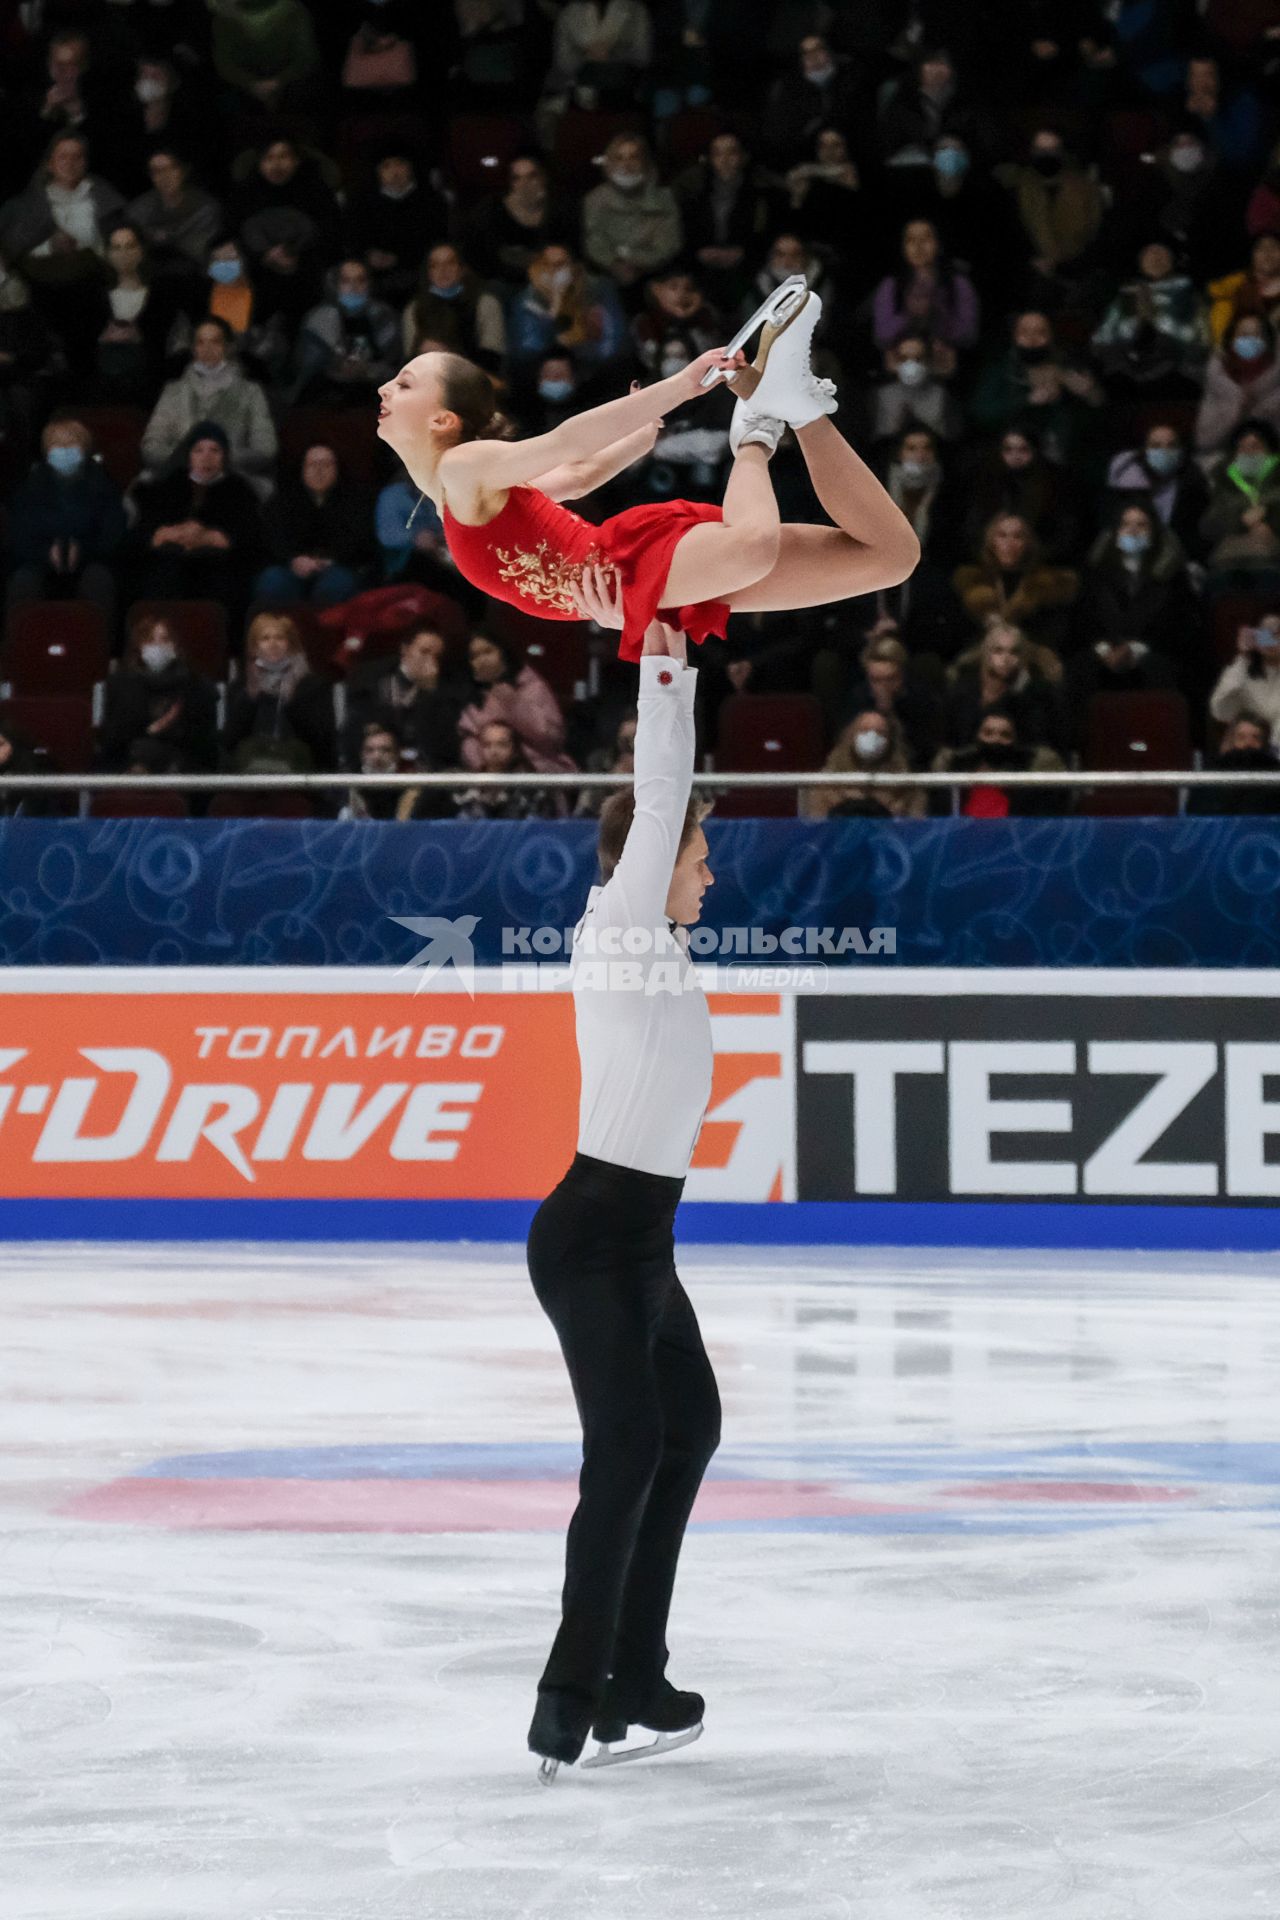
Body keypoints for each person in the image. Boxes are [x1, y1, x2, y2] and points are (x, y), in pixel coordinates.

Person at [524, 607, 720, 1781]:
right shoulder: (620, 926)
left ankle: (633, 1673)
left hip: (642, 1243)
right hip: (592, 1236)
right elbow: (659, 795)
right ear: (647, 865)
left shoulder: (658, 951)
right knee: (628, 1445)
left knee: (684, 1428)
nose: (709, 868)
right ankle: (570, 1691)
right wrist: (664, 665)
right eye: (699, 854)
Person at [376, 288, 919, 669]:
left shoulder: (461, 467)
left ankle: (756, 428)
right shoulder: (453, 491)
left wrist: (680, 386)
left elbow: (566, 442)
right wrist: (641, 435)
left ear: (444, 420)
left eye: (401, 384)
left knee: (756, 546)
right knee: (891, 557)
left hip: (626, 564)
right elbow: (581, 473)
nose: (383, 390)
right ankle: (798, 411)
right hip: (638, 596)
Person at [5, 415, 126, 623]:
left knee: (99, 580)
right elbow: (19, 534)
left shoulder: (102, 485)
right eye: (57, 446)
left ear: (84, 449)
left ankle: (99, 648)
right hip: (40, 562)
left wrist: (82, 549)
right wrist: (45, 552)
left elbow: (113, 534)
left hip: (89, 560)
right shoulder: (30, 487)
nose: (64, 452)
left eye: (70, 446)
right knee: (23, 582)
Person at [141, 319, 278, 493]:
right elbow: (151, 446)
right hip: (179, 478)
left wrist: (219, 460)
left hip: (233, 479)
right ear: (193, 348)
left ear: (228, 347)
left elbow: (266, 448)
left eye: (215, 342)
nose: (207, 349)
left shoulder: (250, 392)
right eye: (200, 342)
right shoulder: (173, 391)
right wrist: (188, 459)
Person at [97, 611, 218, 772]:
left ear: (174, 646)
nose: (157, 647)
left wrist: (168, 731)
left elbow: (205, 744)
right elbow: (110, 740)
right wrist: (149, 731)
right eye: (150, 640)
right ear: (139, 647)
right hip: (129, 760)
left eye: (164, 640)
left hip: (181, 764)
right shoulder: (121, 684)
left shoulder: (194, 686)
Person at [255, 443, 374, 607]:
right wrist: (294, 559)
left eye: (326, 464)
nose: (319, 470)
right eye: (312, 464)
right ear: (302, 468)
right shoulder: (282, 502)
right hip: (291, 566)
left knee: (336, 584)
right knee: (273, 581)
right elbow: (272, 539)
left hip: (339, 565)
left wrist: (330, 560)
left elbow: (361, 541)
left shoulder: (356, 501)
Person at [221, 609, 336, 771]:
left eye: (280, 638)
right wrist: (250, 697)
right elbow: (229, 742)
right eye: (265, 638)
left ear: (291, 645)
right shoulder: (241, 686)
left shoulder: (313, 686)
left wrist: (291, 698)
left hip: (299, 773)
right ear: (254, 648)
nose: (273, 644)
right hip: (249, 772)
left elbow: (322, 744)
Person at [457, 631, 577, 773]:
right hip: (488, 779)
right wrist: (484, 765)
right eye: (474, 656)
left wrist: (512, 702)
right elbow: (467, 739)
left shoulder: (533, 686)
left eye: (487, 652)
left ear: (503, 654)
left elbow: (549, 738)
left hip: (539, 774)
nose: (482, 660)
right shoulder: (471, 698)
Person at [801, 708, 925, 819]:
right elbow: (817, 830)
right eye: (865, 731)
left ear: (890, 742)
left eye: (881, 732)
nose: (872, 737)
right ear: (851, 736)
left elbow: (915, 832)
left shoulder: (908, 787)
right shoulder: (826, 784)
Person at [1194, 316, 1280, 455]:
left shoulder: (1276, 385)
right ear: (1231, 339)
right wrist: (1237, 408)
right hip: (1222, 464)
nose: (1250, 340)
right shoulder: (1217, 380)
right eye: (1244, 335)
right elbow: (1204, 441)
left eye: (1257, 335)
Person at [1208, 614, 1280, 747]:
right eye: (1265, 633)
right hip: (1253, 753)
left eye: (1277, 633)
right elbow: (1220, 711)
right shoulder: (1242, 670)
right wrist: (1243, 657)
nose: (1271, 639)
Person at [1188, 716, 1280, 814]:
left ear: (1264, 743)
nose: (1248, 743)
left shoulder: (1274, 773)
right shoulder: (1213, 772)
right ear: (1231, 741)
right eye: (1241, 737)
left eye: (1256, 737)